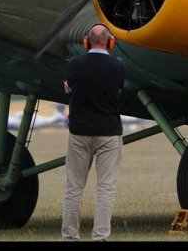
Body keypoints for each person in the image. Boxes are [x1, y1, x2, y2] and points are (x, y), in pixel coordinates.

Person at [61, 22, 126, 242]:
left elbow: (70, 86)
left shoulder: (74, 65)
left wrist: (70, 87)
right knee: (106, 188)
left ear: (86, 42)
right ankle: (100, 236)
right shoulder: (118, 67)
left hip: (79, 132)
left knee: (73, 188)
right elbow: (117, 91)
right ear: (110, 42)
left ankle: (69, 236)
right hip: (109, 132)